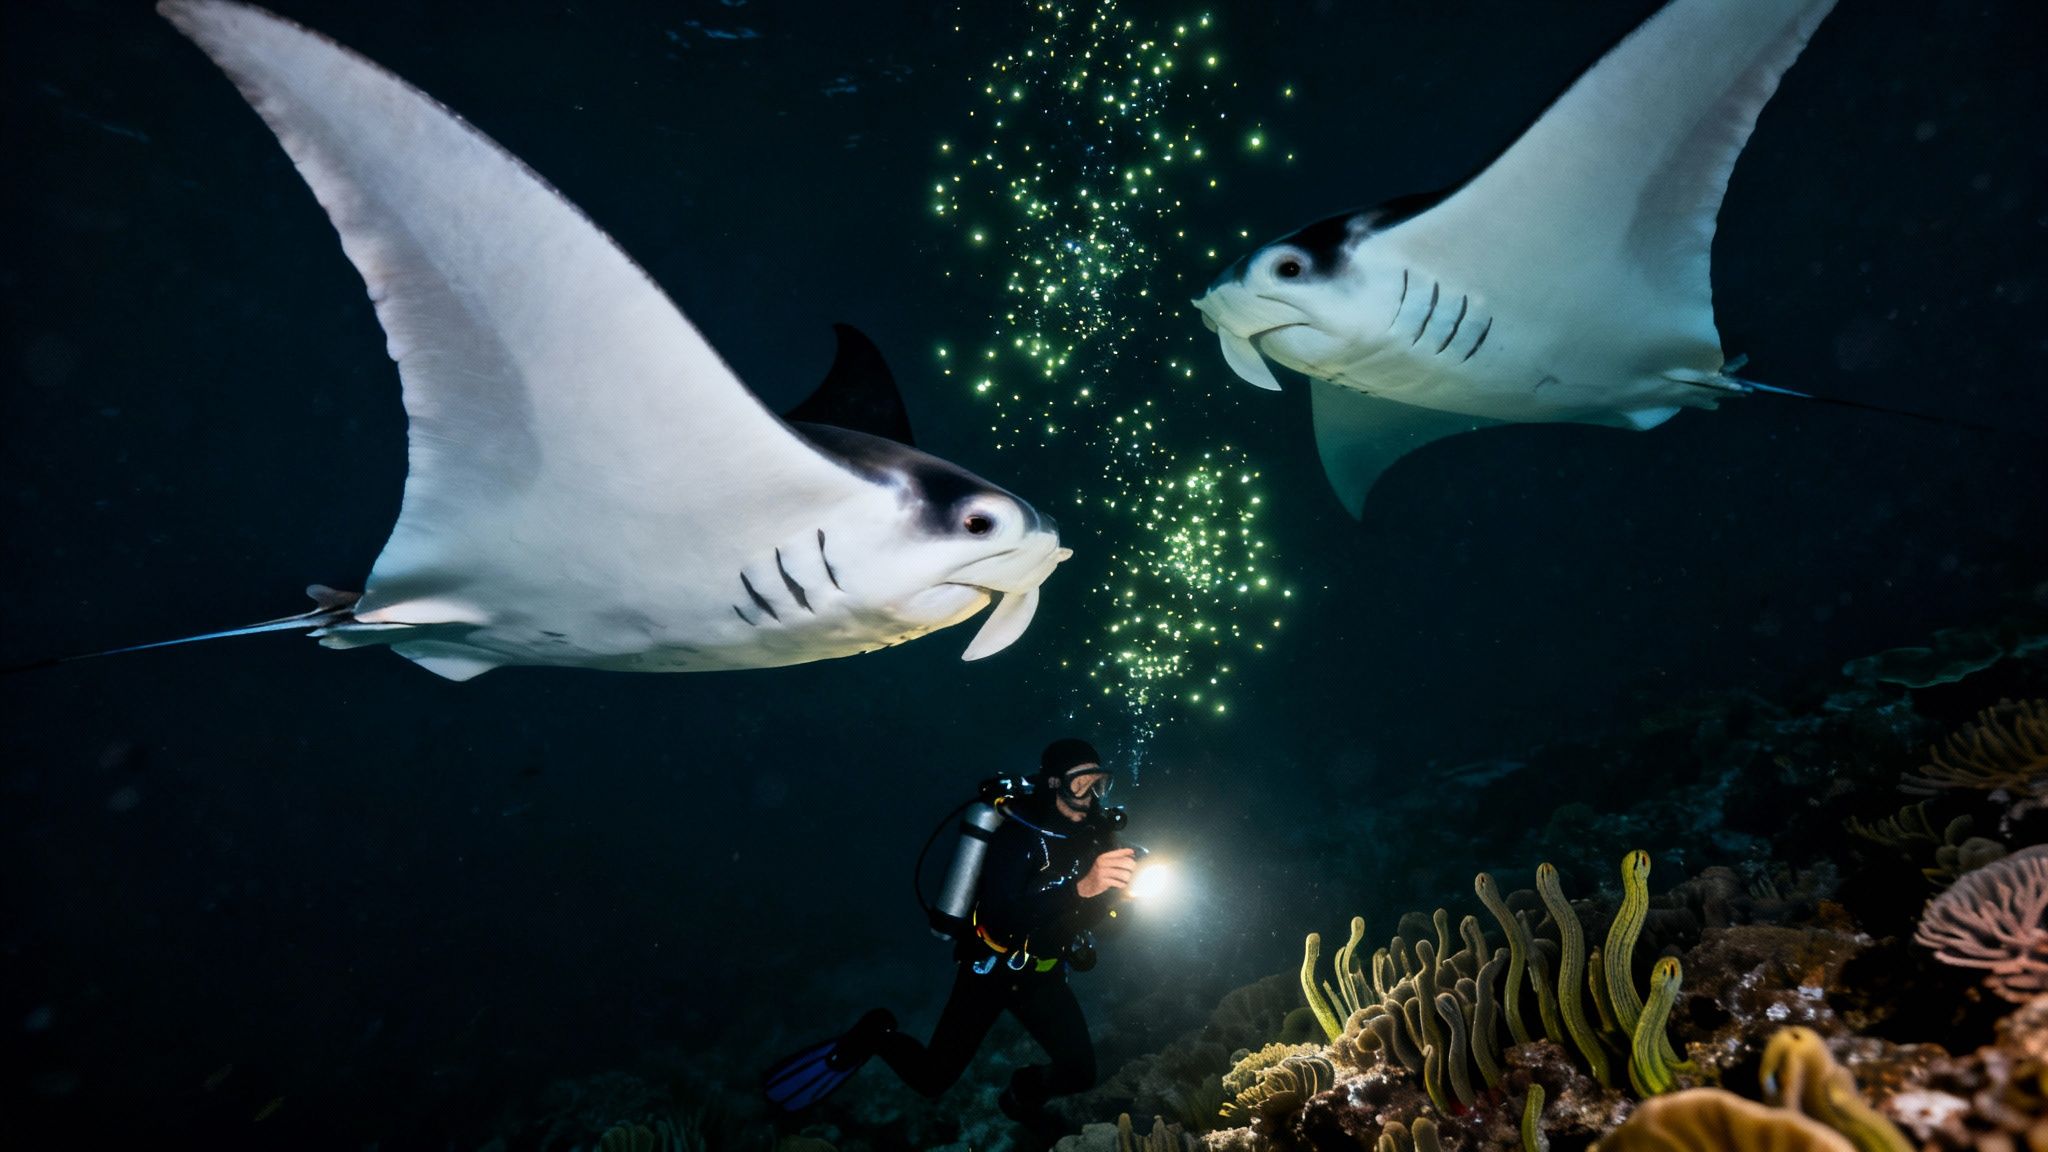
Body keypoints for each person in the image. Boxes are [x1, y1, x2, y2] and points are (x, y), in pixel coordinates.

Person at [763, 737, 1138, 1146]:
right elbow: (1002, 914)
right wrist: (1081, 888)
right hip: (991, 971)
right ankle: (875, 1035)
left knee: (1079, 1072)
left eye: (1100, 783)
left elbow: (1105, 923)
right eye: (1079, 783)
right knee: (931, 1080)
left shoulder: (1099, 837)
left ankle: (1018, 1099)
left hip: (1044, 976)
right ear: (1052, 784)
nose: (1091, 796)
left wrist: (1121, 901)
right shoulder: (1018, 835)